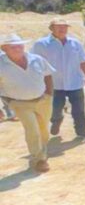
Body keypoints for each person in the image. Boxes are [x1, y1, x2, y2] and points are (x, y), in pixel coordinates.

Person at [0, 33, 56, 172]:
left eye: (19, 46)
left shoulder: (36, 59)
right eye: (13, 47)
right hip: (19, 103)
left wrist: (49, 93)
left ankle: (41, 152)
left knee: (43, 129)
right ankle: (39, 159)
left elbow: (48, 74)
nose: (18, 49)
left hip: (43, 100)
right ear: (4, 48)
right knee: (32, 130)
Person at [32, 18, 85, 139]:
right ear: (51, 28)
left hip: (74, 82)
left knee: (79, 110)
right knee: (54, 109)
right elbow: (35, 64)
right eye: (59, 27)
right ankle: (56, 120)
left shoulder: (75, 43)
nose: (62, 29)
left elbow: (83, 61)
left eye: (65, 27)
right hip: (54, 84)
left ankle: (81, 131)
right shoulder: (41, 44)